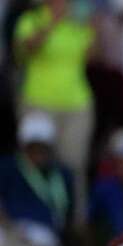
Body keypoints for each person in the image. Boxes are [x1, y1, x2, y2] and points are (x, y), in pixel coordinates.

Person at [13, 0, 96, 225]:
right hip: (38, 100)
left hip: (76, 103)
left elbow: (92, 58)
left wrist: (92, 27)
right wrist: (52, 23)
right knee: (33, 163)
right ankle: (29, 218)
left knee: (74, 164)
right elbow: (25, 51)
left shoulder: (78, 23)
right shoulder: (31, 20)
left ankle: (75, 223)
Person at [0, 111, 75, 246]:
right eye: (33, 147)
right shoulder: (8, 167)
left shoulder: (62, 174)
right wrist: (10, 227)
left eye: (43, 147)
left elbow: (66, 214)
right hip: (9, 227)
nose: (38, 153)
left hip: (43, 232)